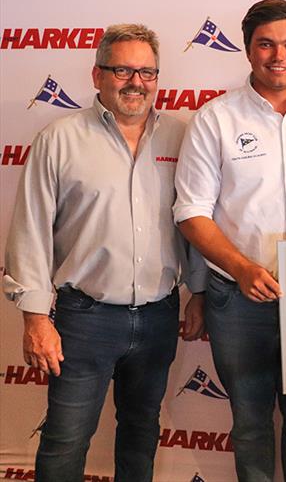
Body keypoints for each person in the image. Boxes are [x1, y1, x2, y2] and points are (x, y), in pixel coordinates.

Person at [2, 24, 207, 482]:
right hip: (84, 319)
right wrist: (35, 317)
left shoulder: (181, 136)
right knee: (66, 438)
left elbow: (193, 219)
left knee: (140, 431)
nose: (136, 82)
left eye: (147, 72)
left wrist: (198, 291)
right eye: (122, 70)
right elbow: (30, 229)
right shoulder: (60, 139)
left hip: (158, 317)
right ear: (97, 75)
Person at [173, 0, 286, 482]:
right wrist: (242, 269)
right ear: (248, 50)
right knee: (249, 423)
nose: (278, 55)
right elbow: (191, 211)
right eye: (266, 44)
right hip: (238, 298)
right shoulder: (214, 119)